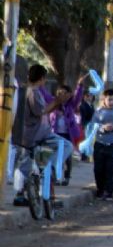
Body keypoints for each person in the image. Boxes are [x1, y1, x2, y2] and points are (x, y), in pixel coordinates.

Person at [13, 65, 75, 206]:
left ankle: (22, 193)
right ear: (41, 78)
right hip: (35, 134)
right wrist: (57, 102)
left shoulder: (24, 90)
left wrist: (57, 102)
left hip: (28, 134)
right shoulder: (33, 92)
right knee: (66, 145)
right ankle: (50, 167)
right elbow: (40, 111)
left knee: (25, 165)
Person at [49, 78, 87, 186]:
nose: (63, 95)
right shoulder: (53, 103)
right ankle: (56, 177)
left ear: (70, 95)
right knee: (56, 155)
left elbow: (78, 97)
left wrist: (79, 85)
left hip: (67, 134)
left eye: (65, 93)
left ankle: (66, 176)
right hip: (55, 134)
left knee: (67, 156)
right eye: (60, 93)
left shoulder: (71, 105)